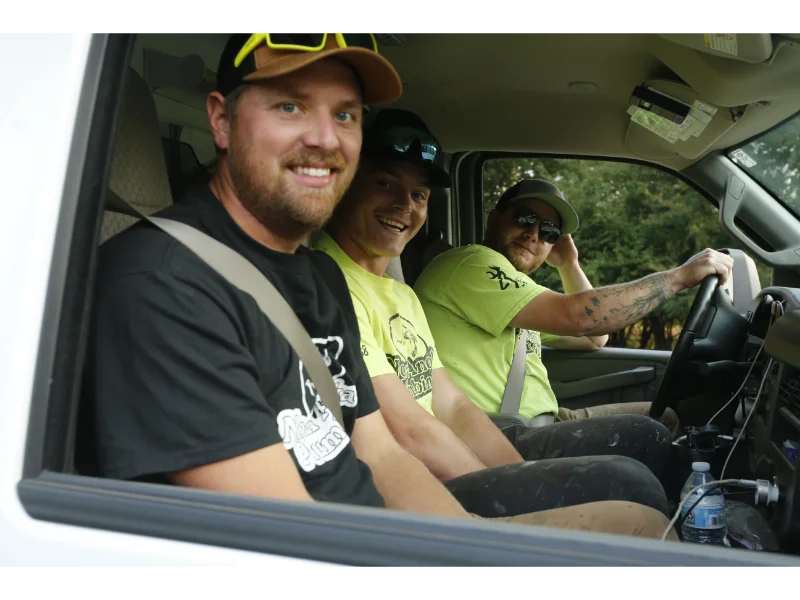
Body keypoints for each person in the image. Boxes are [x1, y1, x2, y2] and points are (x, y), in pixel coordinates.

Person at [75, 31, 677, 541]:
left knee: (643, 521)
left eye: (345, 114)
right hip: (335, 543)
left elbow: (383, 453)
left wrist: (472, 534)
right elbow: (283, 540)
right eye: (289, 106)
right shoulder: (163, 287)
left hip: (383, 528)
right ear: (221, 120)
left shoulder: (315, 279)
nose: (324, 137)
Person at [312, 107, 675, 519]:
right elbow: (408, 430)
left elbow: (452, 405)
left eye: (419, 195)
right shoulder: (332, 287)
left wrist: (518, 476)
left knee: (647, 452)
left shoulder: (400, 295)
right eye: (383, 183)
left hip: (473, 442)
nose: (403, 205)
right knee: (636, 479)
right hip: (424, 476)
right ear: (345, 186)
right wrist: (513, 493)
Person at [413, 176, 734, 455]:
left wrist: (568, 264)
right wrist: (679, 277)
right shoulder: (471, 265)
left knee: (665, 417)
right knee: (656, 430)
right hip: (501, 433)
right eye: (525, 218)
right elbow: (581, 317)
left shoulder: (507, 295)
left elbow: (595, 338)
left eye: (550, 231)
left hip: (540, 424)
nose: (534, 234)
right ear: (494, 219)